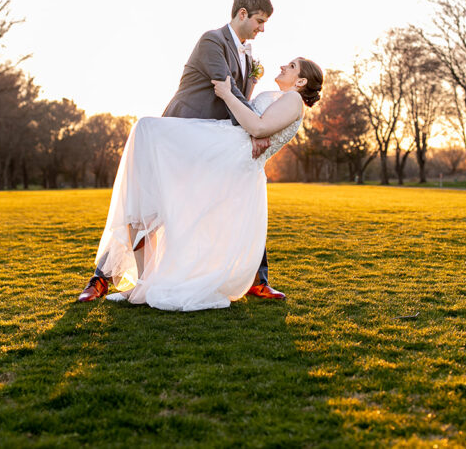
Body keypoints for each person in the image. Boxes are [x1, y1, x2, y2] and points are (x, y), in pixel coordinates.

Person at [75, 52, 323, 311]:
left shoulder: (294, 99)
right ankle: (143, 276)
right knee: (150, 156)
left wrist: (227, 94)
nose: (284, 65)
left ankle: (137, 274)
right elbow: (257, 121)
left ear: (301, 82)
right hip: (228, 145)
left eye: (292, 66)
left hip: (230, 152)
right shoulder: (282, 97)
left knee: (147, 131)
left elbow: (259, 128)